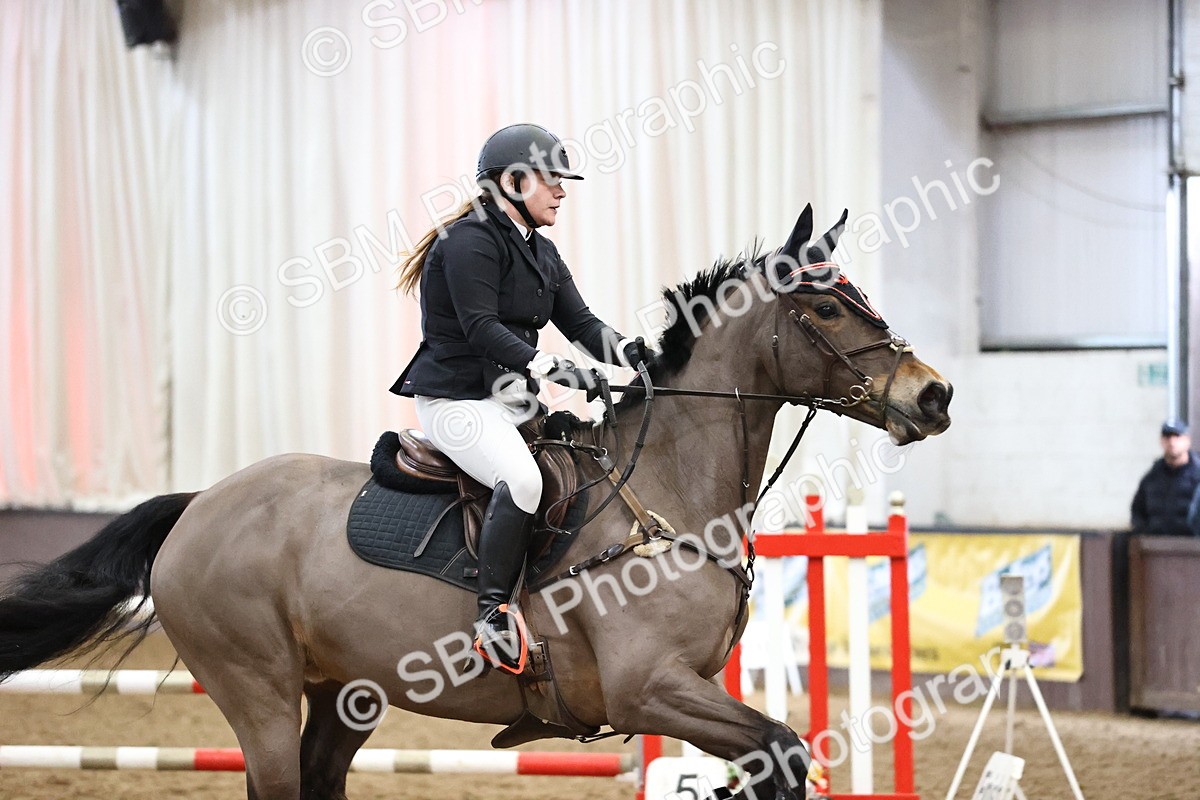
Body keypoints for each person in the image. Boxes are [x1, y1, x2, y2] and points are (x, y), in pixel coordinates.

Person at [390, 123, 649, 671]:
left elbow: (582, 323)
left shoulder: (542, 252)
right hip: (456, 403)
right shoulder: (467, 242)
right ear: (512, 182)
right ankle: (491, 615)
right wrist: (550, 367)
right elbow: (481, 328)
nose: (562, 190)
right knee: (525, 480)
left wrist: (636, 355)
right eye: (552, 179)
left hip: (507, 400)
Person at [1130, 420, 1200, 537]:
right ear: (1161, 441)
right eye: (1167, 437)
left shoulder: (1197, 476)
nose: (1172, 442)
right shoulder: (1151, 478)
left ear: (1187, 441)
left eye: (1177, 436)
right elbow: (1138, 512)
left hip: (1192, 550)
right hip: (1158, 549)